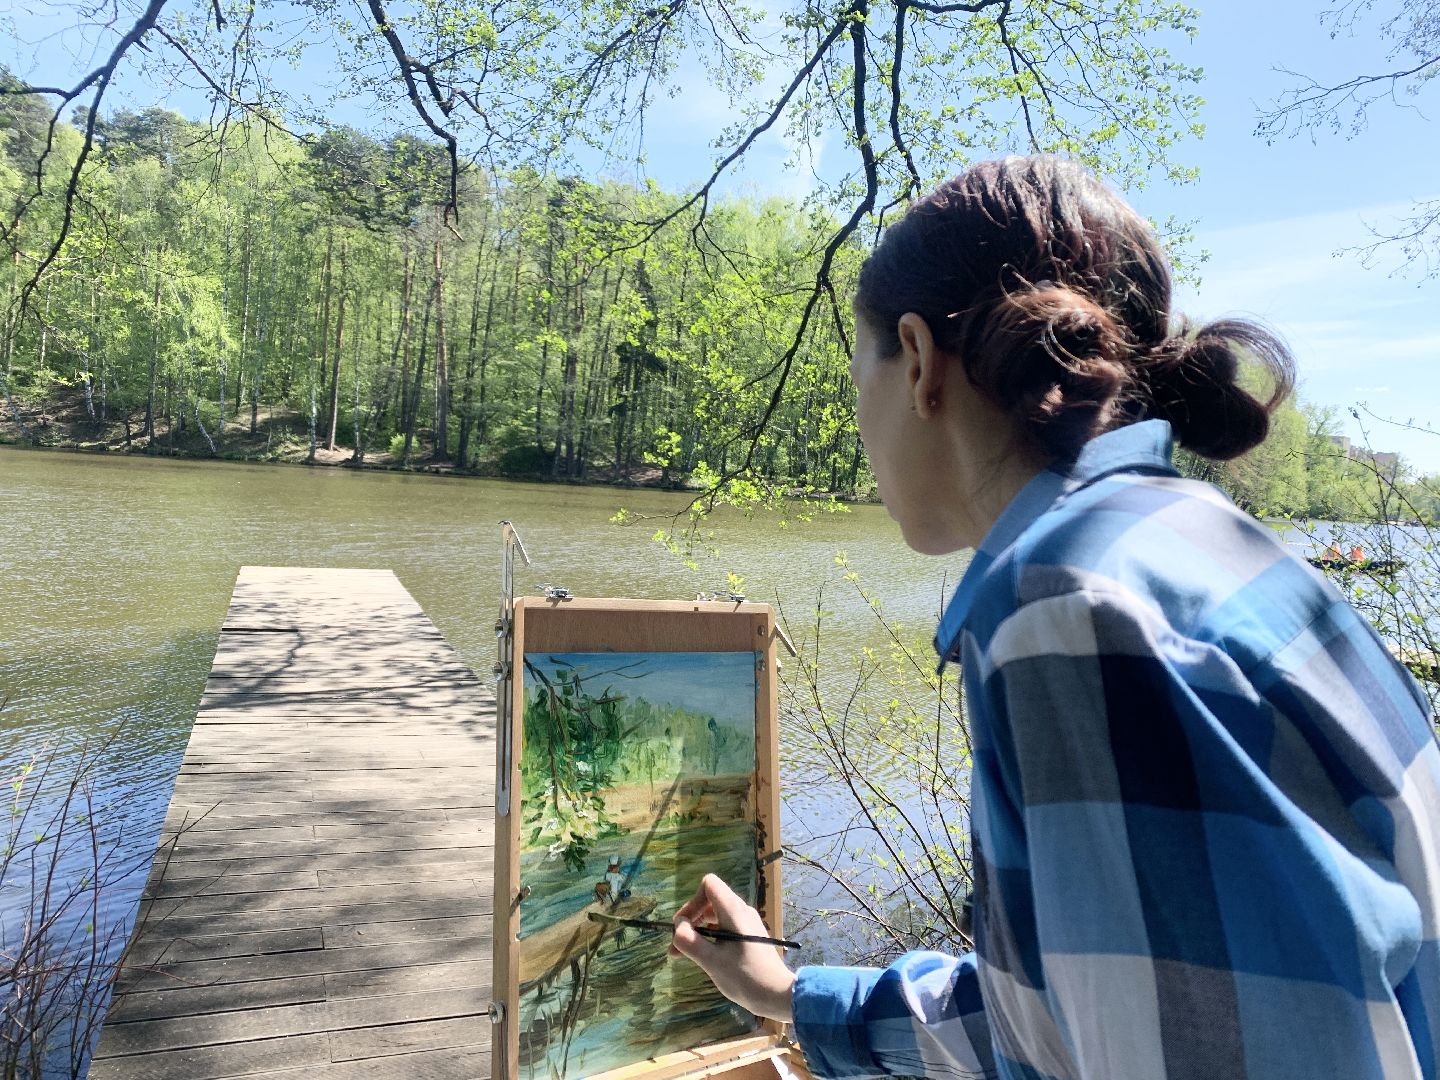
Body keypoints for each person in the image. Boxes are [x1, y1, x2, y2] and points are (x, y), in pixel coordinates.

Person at [668, 156, 1440, 1080]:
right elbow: (1095, 1011)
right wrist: (798, 996)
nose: (862, 431)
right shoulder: (1204, 543)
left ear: (916, 361)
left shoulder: (1066, 609)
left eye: (856, 381)